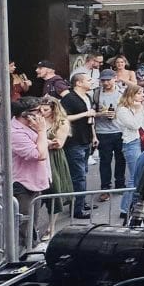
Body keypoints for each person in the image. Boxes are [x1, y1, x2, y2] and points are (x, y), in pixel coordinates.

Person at [115, 84, 144, 220]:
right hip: (131, 143)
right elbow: (134, 125)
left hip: (143, 141)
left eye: (143, 93)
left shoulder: (140, 108)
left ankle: (135, 205)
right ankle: (125, 208)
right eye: (139, 93)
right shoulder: (122, 110)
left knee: (141, 175)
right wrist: (139, 109)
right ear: (131, 95)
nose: (142, 96)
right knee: (134, 176)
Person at [11, 97, 50, 246]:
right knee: (24, 226)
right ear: (25, 115)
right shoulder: (14, 132)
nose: (42, 114)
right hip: (22, 184)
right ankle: (24, 257)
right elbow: (39, 155)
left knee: (32, 223)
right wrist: (42, 131)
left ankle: (31, 250)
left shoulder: (30, 127)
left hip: (35, 181)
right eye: (37, 111)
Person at [60, 69, 99, 218]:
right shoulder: (69, 98)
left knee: (83, 172)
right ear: (79, 83)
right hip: (73, 141)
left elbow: (91, 119)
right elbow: (63, 118)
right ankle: (77, 209)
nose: (91, 82)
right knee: (78, 175)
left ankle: (81, 202)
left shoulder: (88, 96)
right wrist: (85, 114)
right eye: (88, 80)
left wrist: (94, 136)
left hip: (86, 138)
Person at [93, 68, 125, 200]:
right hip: (103, 131)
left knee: (121, 160)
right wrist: (101, 114)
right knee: (105, 161)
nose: (106, 83)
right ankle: (105, 188)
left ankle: (120, 184)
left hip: (120, 129)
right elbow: (91, 112)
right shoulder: (96, 93)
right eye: (103, 80)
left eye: (108, 80)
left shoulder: (122, 92)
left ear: (115, 78)